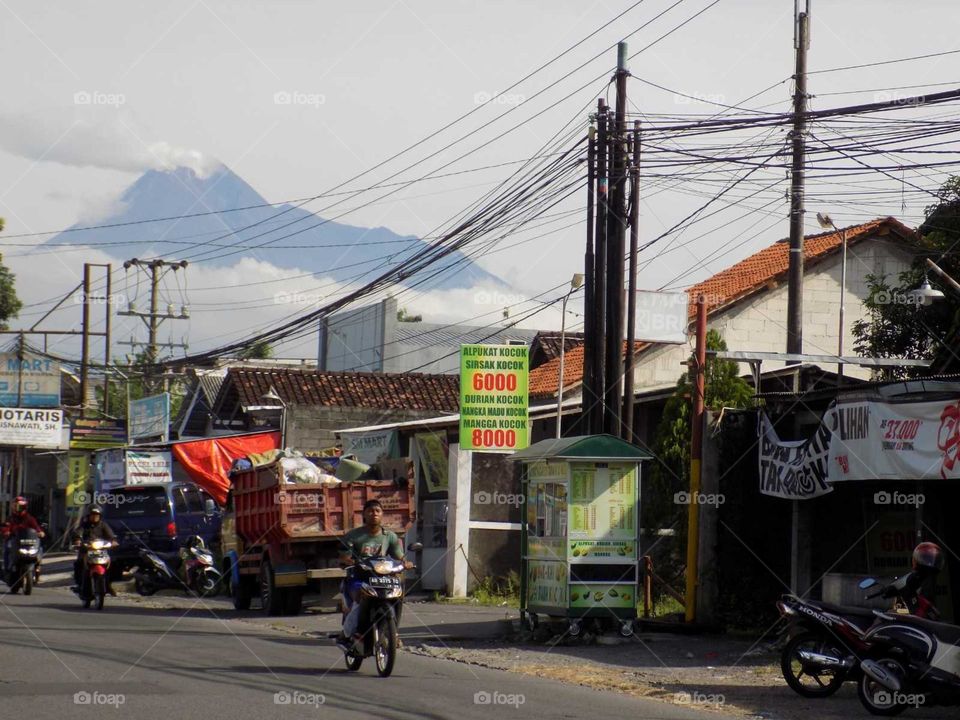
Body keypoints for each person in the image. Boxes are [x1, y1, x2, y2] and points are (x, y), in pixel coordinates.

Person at [335, 499, 412, 651]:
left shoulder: (389, 536)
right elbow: (343, 557)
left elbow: (398, 556)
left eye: (377, 511)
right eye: (370, 511)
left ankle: (394, 632)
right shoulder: (353, 536)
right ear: (364, 514)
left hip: (382, 578)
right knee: (360, 597)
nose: (374, 514)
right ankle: (348, 633)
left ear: (382, 514)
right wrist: (351, 562)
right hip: (359, 578)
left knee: (398, 594)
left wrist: (405, 563)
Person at [71, 506, 117, 595]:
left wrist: (113, 541)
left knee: (112, 564)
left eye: (97, 515)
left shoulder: (103, 525)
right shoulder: (84, 525)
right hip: (86, 550)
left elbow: (110, 535)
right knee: (79, 563)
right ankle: (79, 584)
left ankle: (108, 584)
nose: (95, 517)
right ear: (88, 515)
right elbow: (77, 533)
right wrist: (78, 540)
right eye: (93, 515)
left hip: (101, 551)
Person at [2, 496, 44, 582]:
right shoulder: (11, 518)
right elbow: (6, 527)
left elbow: (36, 527)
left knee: (40, 548)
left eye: (20, 506)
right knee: (7, 549)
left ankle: (37, 569)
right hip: (14, 540)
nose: (17, 508)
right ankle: (7, 569)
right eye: (15, 506)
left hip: (27, 542)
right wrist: (6, 531)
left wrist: (40, 532)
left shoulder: (29, 518)